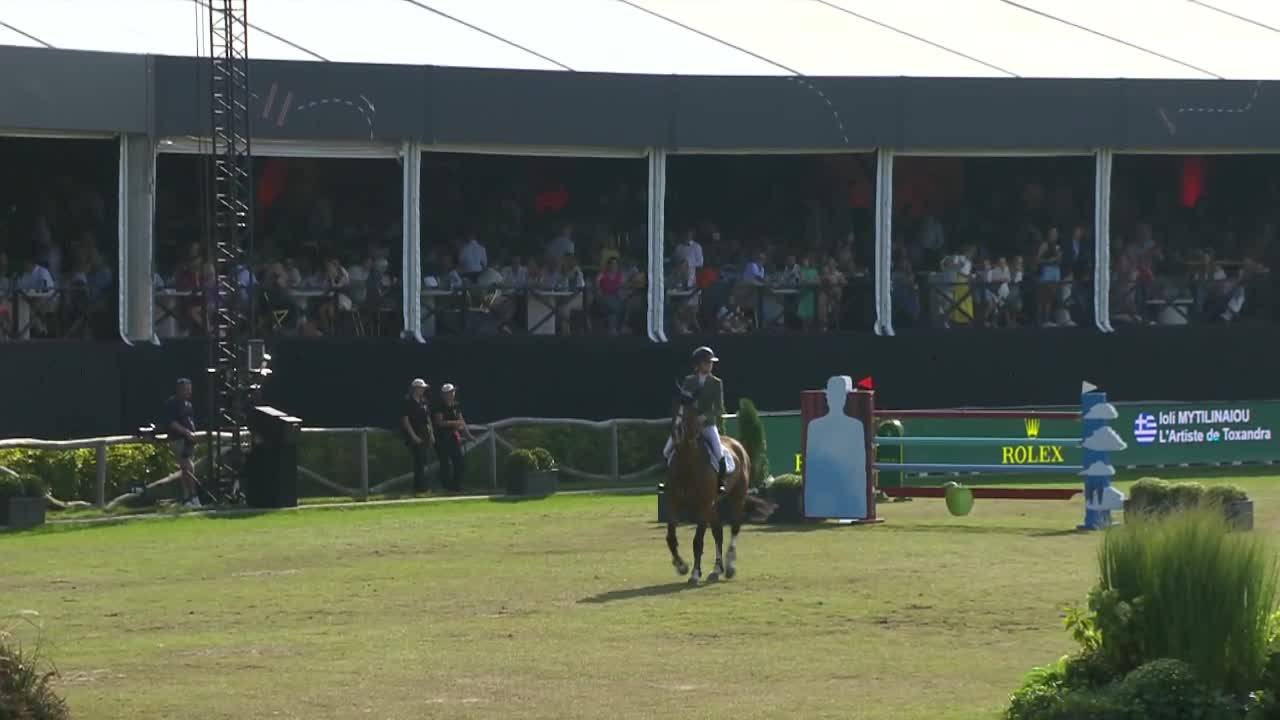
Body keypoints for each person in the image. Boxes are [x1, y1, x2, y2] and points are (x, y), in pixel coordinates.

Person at [664, 346, 729, 492]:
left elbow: (719, 408)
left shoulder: (716, 383)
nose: (710, 365)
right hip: (688, 423)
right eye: (707, 362)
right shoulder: (689, 381)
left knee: (718, 452)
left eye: (711, 362)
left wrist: (704, 417)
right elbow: (683, 401)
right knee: (667, 450)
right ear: (698, 364)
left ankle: (721, 482)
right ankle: (666, 481)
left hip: (707, 425)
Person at [165, 378, 201, 508]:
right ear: (179, 389)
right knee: (188, 466)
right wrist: (186, 432)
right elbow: (171, 423)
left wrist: (192, 434)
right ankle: (193, 497)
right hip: (178, 439)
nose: (188, 392)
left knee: (187, 469)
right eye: (186, 389)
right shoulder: (172, 403)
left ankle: (187, 500)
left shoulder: (188, 404)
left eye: (190, 389)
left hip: (189, 441)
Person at [432, 383, 474, 494]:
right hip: (441, 439)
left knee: (459, 462)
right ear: (443, 394)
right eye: (449, 392)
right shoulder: (439, 406)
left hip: (453, 438)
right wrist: (455, 423)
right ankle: (447, 487)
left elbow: (462, 421)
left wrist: (468, 435)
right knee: (444, 464)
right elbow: (439, 422)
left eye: (453, 392)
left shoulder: (456, 405)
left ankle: (456, 486)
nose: (452, 394)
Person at [400, 378, 434, 494]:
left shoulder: (424, 401)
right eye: (421, 388)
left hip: (425, 434)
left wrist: (432, 434)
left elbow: (428, 419)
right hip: (414, 435)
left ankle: (423, 485)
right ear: (415, 388)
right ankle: (419, 487)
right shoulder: (407, 401)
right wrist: (413, 436)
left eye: (424, 388)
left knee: (424, 460)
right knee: (419, 461)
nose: (423, 390)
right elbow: (405, 420)